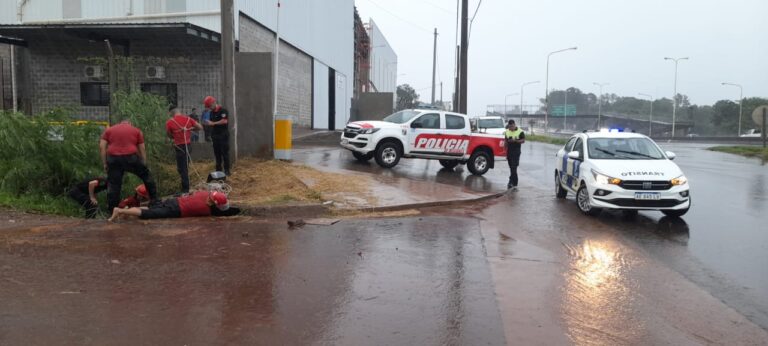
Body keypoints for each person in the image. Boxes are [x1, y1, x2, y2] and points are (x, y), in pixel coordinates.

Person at [100, 117, 159, 211]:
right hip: (130, 158)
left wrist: (104, 163)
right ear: (130, 123)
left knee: (114, 184)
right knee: (146, 176)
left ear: (120, 122)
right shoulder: (136, 130)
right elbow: (142, 148)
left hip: (113, 159)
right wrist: (144, 162)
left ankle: (112, 209)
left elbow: (102, 147)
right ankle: (155, 201)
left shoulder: (109, 130)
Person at [108, 190, 240, 221]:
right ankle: (120, 211)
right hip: (176, 210)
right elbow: (219, 213)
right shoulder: (205, 209)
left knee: (150, 208)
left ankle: (125, 211)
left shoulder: (204, 192)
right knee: (149, 214)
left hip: (174, 201)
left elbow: (192, 193)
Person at [166, 107, 203, 193]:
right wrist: (189, 129)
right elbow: (200, 127)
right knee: (183, 167)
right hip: (188, 146)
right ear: (180, 112)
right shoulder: (188, 119)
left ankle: (185, 189)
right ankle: (185, 185)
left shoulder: (170, 122)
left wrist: (176, 134)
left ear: (171, 113)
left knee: (182, 168)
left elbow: (169, 135)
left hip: (179, 147)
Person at [203, 96, 232, 175]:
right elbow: (212, 123)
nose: (209, 108)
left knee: (224, 153)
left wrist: (213, 123)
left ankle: (227, 170)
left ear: (214, 102)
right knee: (217, 154)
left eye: (210, 106)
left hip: (223, 135)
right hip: (215, 136)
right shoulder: (211, 113)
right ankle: (218, 170)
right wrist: (208, 124)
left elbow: (224, 121)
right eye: (208, 107)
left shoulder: (223, 110)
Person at [504, 119, 526, 190]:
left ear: (514, 125)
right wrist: (504, 151)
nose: (511, 128)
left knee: (514, 167)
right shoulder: (507, 131)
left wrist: (515, 141)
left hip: (516, 152)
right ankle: (512, 182)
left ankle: (513, 182)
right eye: (510, 127)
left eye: (512, 126)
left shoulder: (520, 131)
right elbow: (505, 141)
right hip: (509, 152)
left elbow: (523, 140)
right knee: (511, 167)